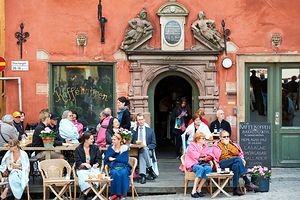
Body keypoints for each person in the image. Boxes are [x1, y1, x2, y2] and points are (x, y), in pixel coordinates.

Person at [212, 130, 259, 196]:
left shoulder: (231, 144)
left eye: (228, 136)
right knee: (238, 159)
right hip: (222, 163)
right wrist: (230, 153)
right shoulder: (216, 145)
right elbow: (220, 156)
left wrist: (228, 145)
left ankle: (235, 189)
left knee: (236, 165)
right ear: (220, 138)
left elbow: (236, 152)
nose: (226, 138)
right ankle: (246, 181)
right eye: (224, 137)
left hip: (232, 162)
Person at [179, 132, 214, 198]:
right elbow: (194, 155)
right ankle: (194, 190)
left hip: (203, 163)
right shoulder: (191, 145)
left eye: (205, 138)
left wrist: (202, 158)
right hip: (193, 163)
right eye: (203, 138)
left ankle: (199, 189)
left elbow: (210, 154)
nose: (205, 140)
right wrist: (204, 156)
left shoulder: (205, 145)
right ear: (197, 139)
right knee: (200, 168)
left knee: (209, 169)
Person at [131, 113, 157, 184]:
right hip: (136, 150)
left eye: (142, 119)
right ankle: (150, 170)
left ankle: (143, 175)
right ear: (137, 121)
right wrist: (134, 129)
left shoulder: (150, 130)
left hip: (148, 150)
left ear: (144, 120)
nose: (141, 121)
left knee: (143, 150)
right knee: (142, 153)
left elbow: (154, 144)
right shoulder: (133, 130)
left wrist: (146, 147)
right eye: (139, 120)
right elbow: (130, 140)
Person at [74, 132, 102, 200]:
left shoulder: (95, 147)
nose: (93, 140)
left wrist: (97, 164)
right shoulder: (78, 149)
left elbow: (99, 159)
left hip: (93, 168)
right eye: (91, 139)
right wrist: (85, 164)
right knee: (82, 174)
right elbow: (78, 161)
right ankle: (85, 194)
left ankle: (85, 194)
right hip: (83, 169)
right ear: (86, 140)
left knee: (95, 175)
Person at [105, 133, 132, 200]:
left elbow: (124, 159)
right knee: (114, 173)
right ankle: (115, 194)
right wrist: (115, 152)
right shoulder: (110, 147)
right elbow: (107, 158)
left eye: (114, 140)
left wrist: (114, 159)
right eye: (112, 139)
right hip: (113, 166)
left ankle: (120, 194)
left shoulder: (124, 147)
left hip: (123, 166)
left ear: (119, 140)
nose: (112, 141)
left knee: (123, 173)